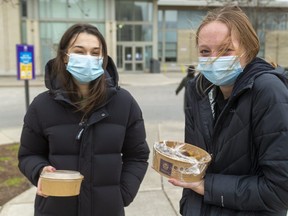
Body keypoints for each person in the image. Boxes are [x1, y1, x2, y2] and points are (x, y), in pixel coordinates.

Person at [18, 23, 150, 216]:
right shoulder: (42, 105)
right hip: (55, 209)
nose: (88, 58)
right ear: (64, 56)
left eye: (95, 52)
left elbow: (137, 155)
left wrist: (122, 194)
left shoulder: (124, 103)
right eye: (79, 51)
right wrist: (39, 171)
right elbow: (28, 155)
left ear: (103, 58)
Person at [168, 6, 288, 216]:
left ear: (248, 50)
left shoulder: (268, 91)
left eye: (225, 50)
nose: (214, 59)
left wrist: (207, 186)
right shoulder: (198, 90)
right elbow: (195, 166)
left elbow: (280, 191)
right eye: (205, 51)